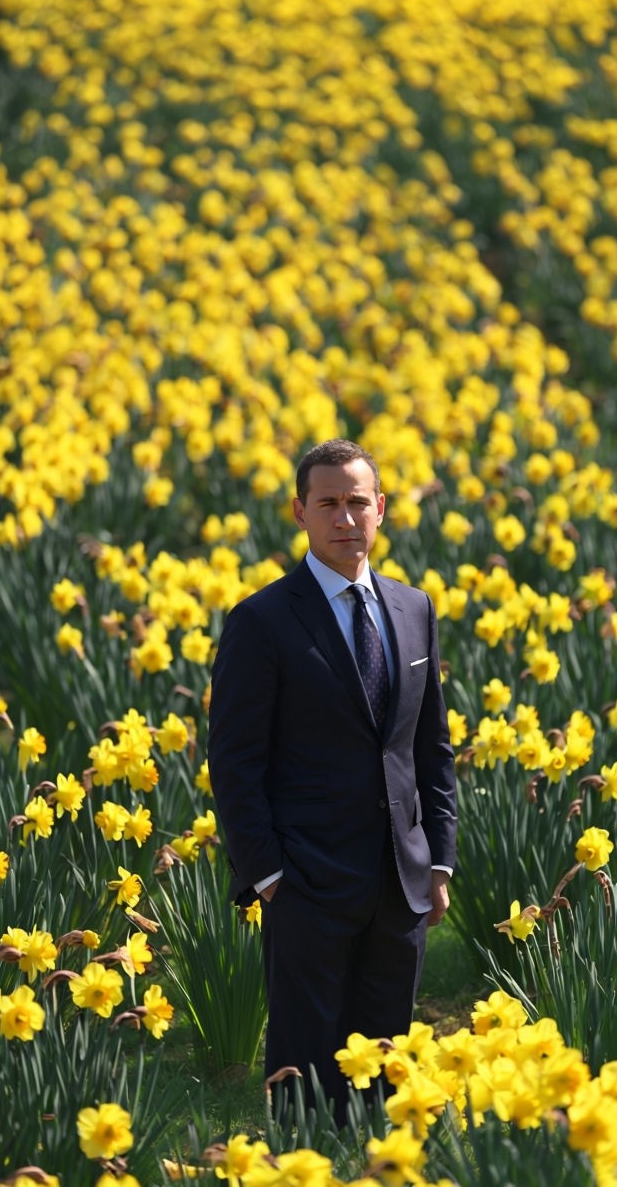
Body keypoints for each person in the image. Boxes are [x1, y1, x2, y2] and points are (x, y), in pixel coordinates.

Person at [207, 438, 457, 1120]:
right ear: (300, 512)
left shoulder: (414, 609)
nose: (345, 518)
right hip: (306, 883)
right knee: (305, 1087)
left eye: (357, 502)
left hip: (400, 880)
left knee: (386, 1080)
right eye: (328, 504)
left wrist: (439, 860)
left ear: (381, 509)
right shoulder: (261, 621)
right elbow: (233, 762)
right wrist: (269, 876)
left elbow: (429, 748)